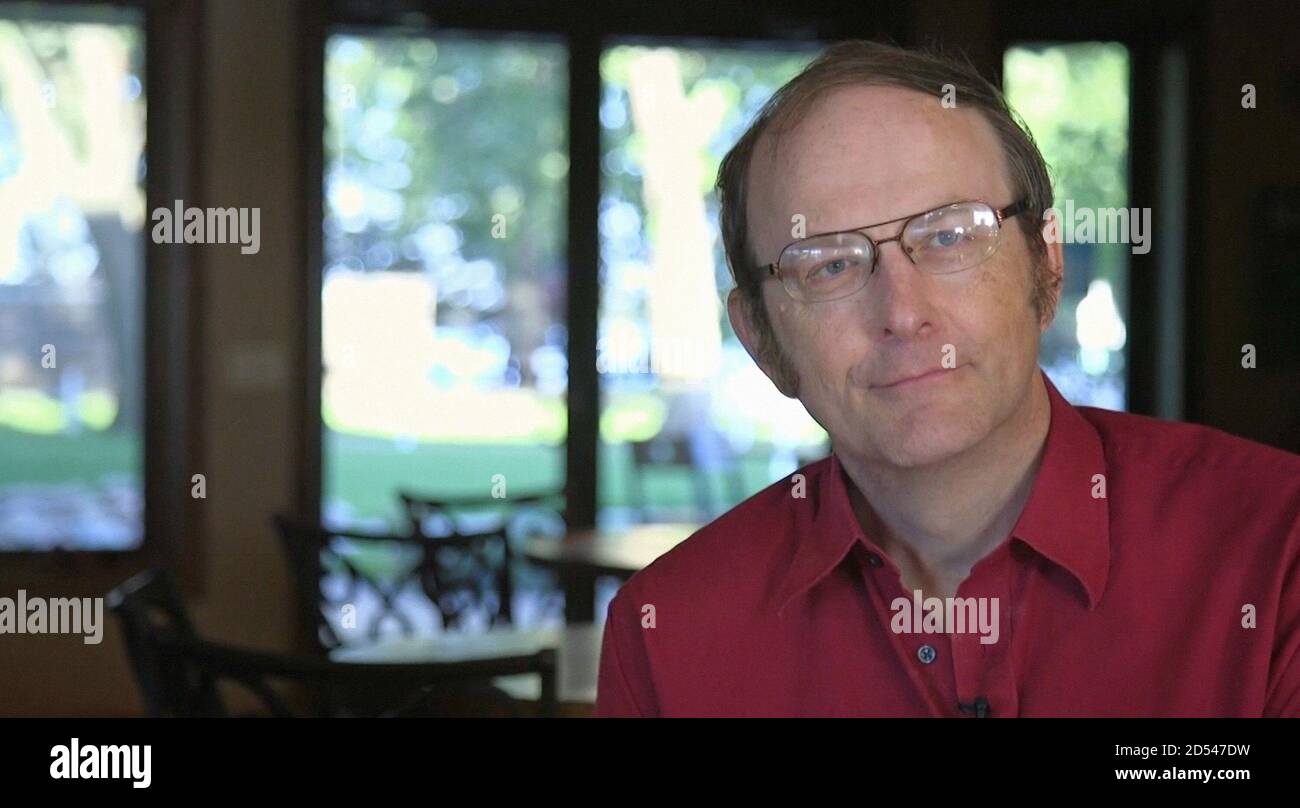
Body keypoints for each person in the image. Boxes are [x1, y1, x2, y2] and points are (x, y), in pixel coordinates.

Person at [593, 40, 1300, 717]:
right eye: (829, 264)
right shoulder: (667, 637)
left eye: (951, 236)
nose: (903, 314)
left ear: (1046, 268)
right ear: (761, 339)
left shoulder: (1276, 551)